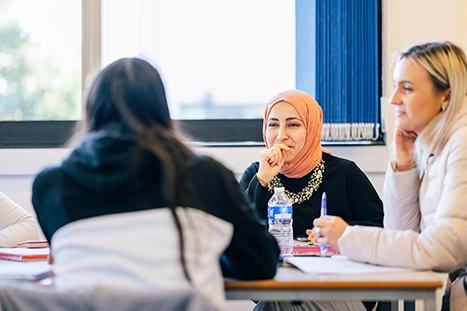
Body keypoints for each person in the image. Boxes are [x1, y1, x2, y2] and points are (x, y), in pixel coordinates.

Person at [31, 57, 279, 311]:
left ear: (92, 110)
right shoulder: (204, 175)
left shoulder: (51, 186)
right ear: (161, 110)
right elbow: (261, 264)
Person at [313, 41, 467, 310]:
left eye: (407, 88)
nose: (394, 99)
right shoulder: (435, 144)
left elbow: (445, 250)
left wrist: (348, 237)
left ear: (446, 97)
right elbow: (402, 233)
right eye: (395, 86)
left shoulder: (462, 142)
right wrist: (404, 166)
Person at [239, 89, 384, 311]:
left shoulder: (344, 173)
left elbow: (382, 229)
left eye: (293, 125)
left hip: (342, 288)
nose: (281, 135)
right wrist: (264, 179)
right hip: (276, 285)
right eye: (273, 124)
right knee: (278, 299)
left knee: (277, 301)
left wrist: (340, 234)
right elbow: (238, 233)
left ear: (312, 128)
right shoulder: (257, 175)